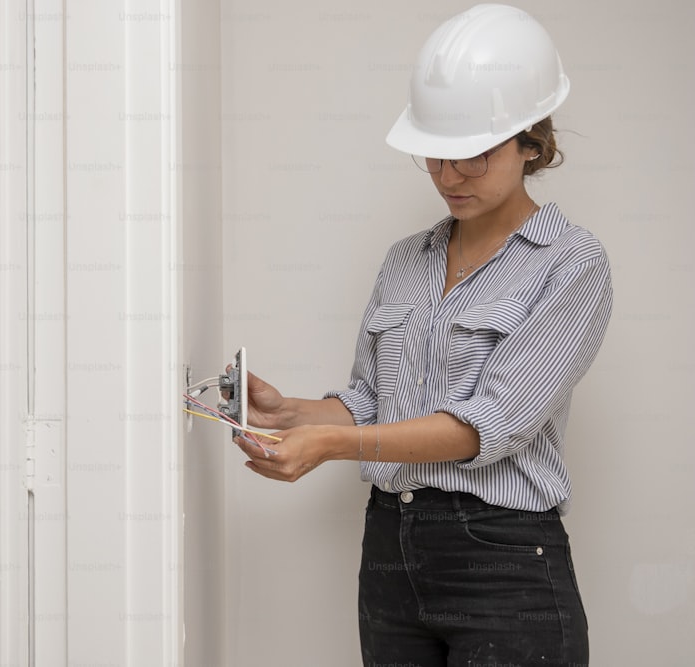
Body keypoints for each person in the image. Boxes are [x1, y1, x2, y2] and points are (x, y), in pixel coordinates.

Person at [232, 5, 612, 666]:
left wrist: (331, 445)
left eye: (474, 154)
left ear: (532, 141)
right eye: (435, 153)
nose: (448, 175)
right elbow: (370, 401)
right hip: (389, 553)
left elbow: (485, 426)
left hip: (503, 563)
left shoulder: (570, 262)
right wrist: (289, 412)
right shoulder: (406, 261)